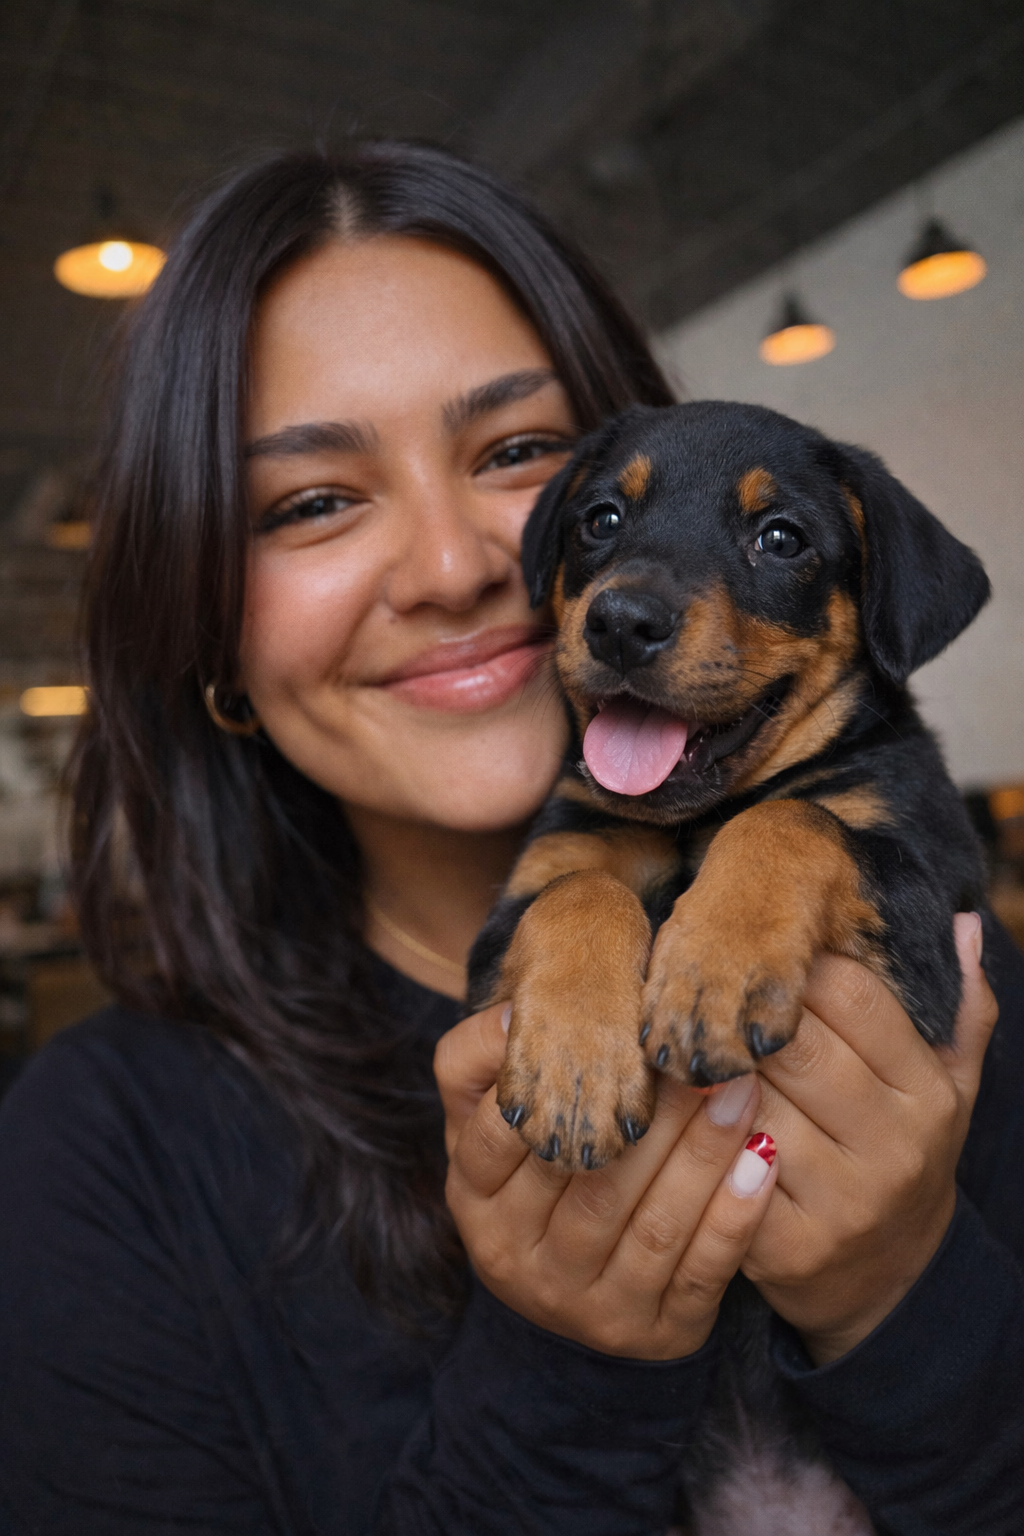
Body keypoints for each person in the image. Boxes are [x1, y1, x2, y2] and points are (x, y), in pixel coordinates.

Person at [0, 143, 1021, 1536]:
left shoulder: (966, 973)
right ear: (206, 627)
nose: (461, 568)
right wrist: (572, 1372)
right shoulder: (97, 1157)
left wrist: (905, 1297)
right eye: (311, 501)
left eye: (520, 452)